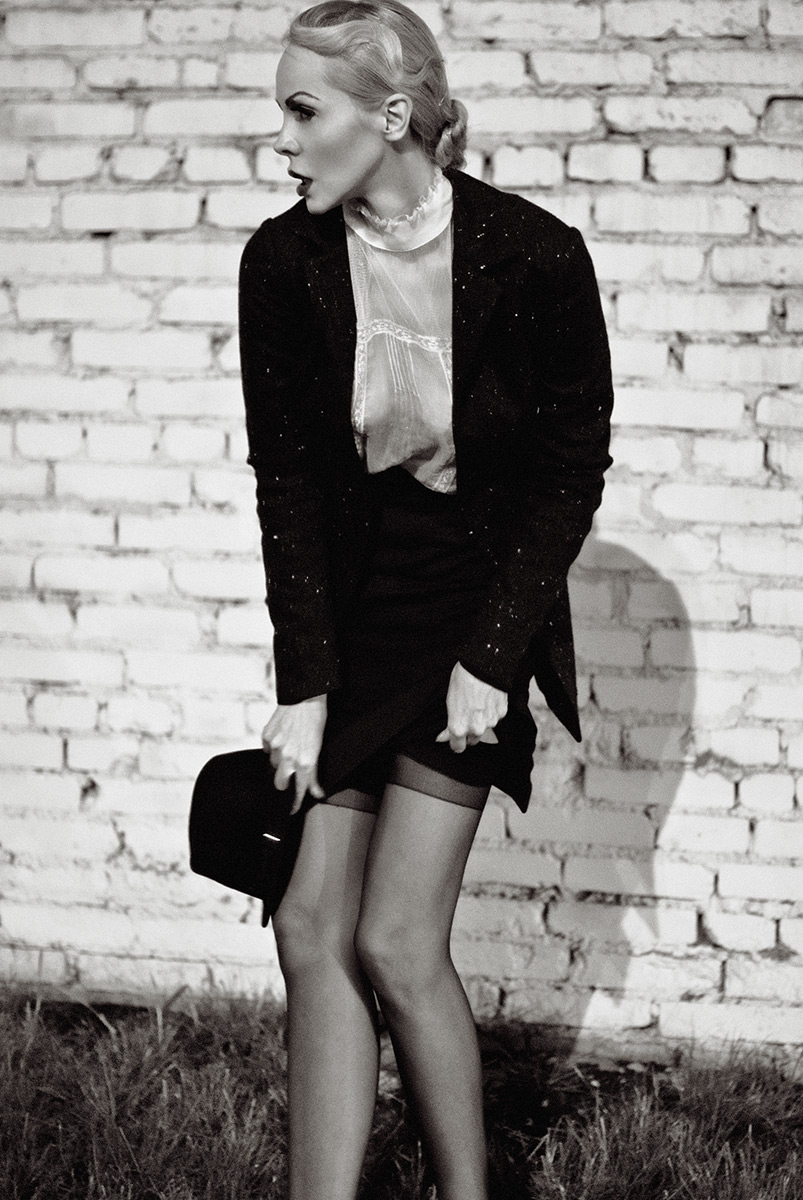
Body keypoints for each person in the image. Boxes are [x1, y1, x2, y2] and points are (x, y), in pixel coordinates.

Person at [238, 2, 613, 1196]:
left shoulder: (534, 254)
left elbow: (567, 472)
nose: (281, 139)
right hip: (357, 606)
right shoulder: (283, 261)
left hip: (472, 601)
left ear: (391, 115)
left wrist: (492, 659)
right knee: (308, 925)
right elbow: (288, 482)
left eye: (303, 110)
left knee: (397, 940)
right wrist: (305, 682)